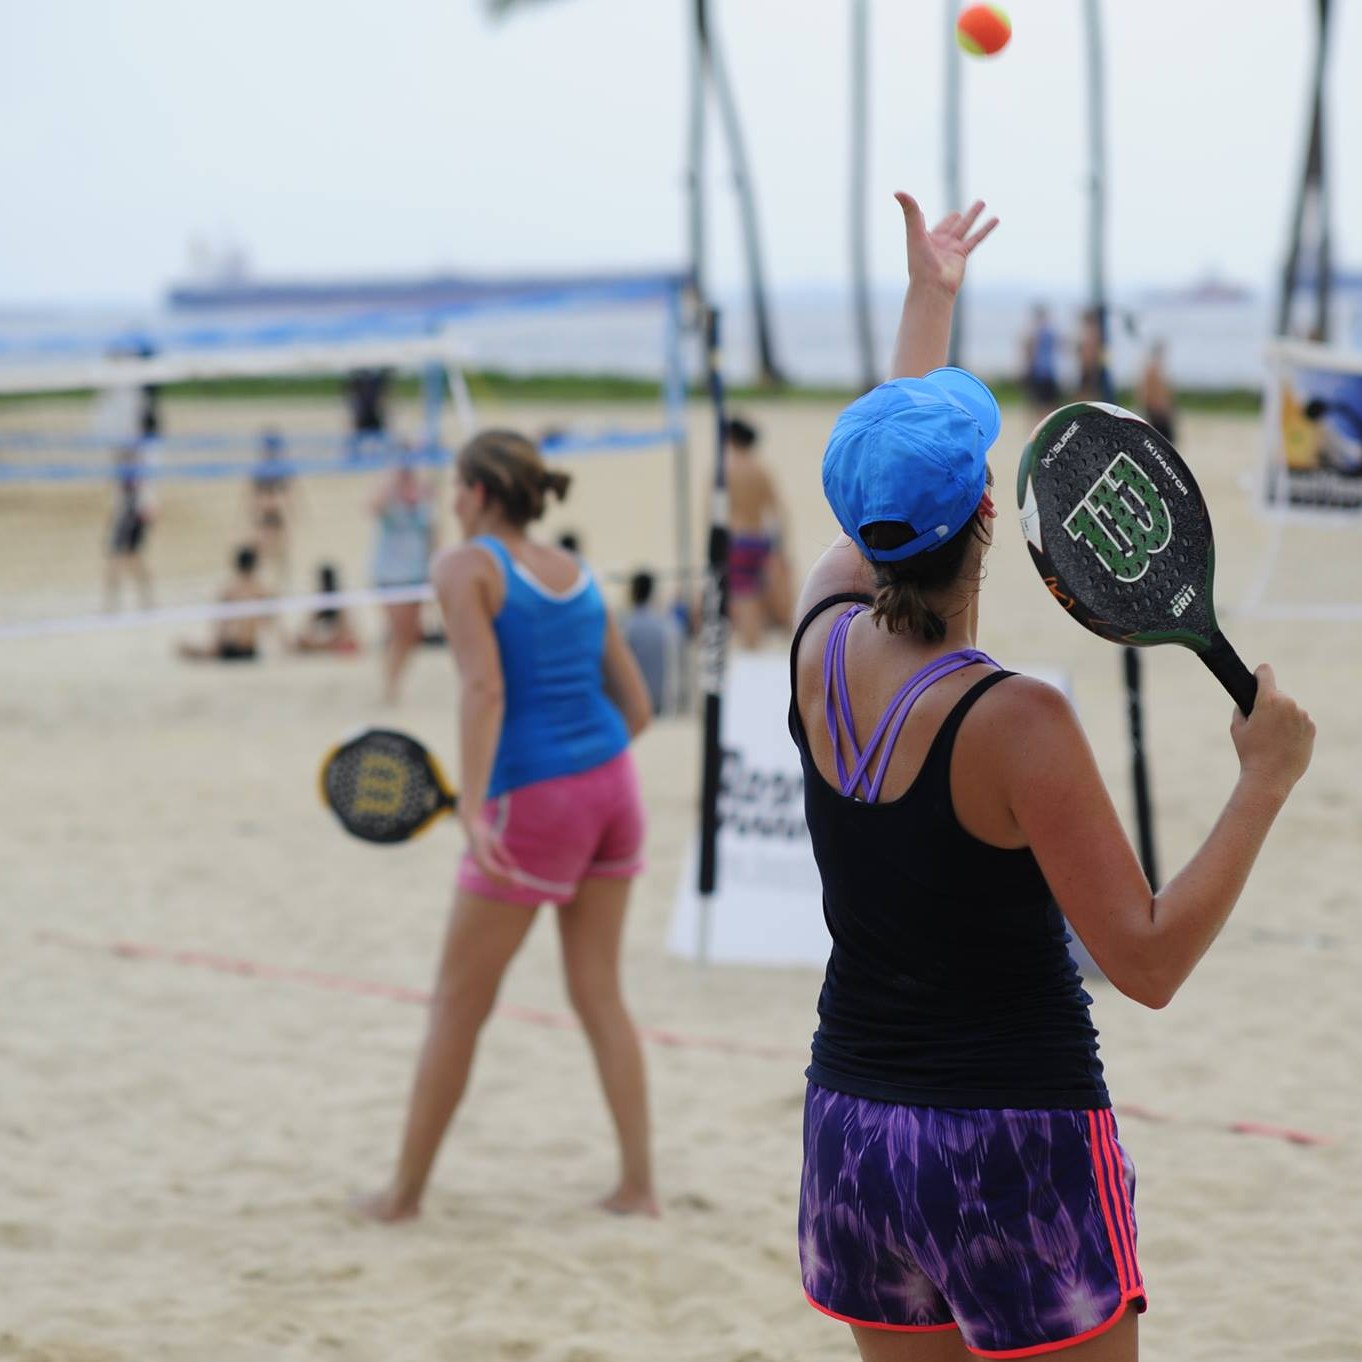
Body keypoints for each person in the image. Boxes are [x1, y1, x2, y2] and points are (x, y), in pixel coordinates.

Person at [790, 191, 1315, 1361]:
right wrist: (1263, 784)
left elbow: (883, 494)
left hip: (855, 1130)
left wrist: (928, 299)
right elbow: (1148, 960)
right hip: (1010, 1140)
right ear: (991, 509)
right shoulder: (1017, 721)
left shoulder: (818, 634)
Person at [354, 429, 657, 1224]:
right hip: (614, 790)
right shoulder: (577, 570)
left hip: (535, 797)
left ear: (481, 492)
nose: (451, 500)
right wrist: (583, 769)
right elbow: (639, 708)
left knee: (458, 1004)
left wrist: (474, 805)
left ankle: (403, 1196)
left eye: (458, 486)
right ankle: (639, 1188)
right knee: (600, 995)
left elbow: (483, 690)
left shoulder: (464, 566)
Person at [369, 460, 437, 703]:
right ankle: (390, 684)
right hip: (391, 574)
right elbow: (373, 508)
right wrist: (390, 482)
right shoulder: (389, 495)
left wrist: (432, 569)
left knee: (412, 633)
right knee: (397, 630)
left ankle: (394, 680)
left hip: (416, 572)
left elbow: (432, 535)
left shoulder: (423, 495)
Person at [724, 416, 794, 648]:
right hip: (759, 539)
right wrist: (782, 547)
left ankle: (750, 647)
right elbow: (777, 511)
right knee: (758, 595)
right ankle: (755, 646)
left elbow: (715, 512)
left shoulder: (725, 470)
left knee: (744, 598)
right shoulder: (761, 470)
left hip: (737, 541)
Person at [177, 544, 271, 662]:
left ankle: (196, 649)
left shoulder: (229, 589)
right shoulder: (261, 590)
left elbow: (219, 620)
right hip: (250, 648)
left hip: (231, 647)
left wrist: (214, 644)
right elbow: (269, 621)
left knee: (193, 648)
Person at [620, 570, 683, 716]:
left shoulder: (626, 627)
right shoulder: (667, 626)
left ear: (633, 592)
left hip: (634, 703)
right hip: (662, 702)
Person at [103, 445, 155, 611]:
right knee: (124, 562)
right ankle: (116, 604)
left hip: (131, 522)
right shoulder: (127, 481)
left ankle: (116, 604)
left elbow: (147, 508)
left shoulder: (137, 481)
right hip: (125, 522)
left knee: (127, 561)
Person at [248, 429, 295, 588]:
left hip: (272, 513)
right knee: (267, 550)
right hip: (268, 513)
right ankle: (272, 582)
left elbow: (288, 496)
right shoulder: (264, 470)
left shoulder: (277, 470)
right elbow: (254, 496)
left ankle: (280, 582)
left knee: (278, 551)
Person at [293, 563, 359, 654]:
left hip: (333, 637)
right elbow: (305, 634)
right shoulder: (319, 601)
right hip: (328, 638)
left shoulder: (340, 601)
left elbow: (350, 636)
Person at [1020, 302, 1061, 411]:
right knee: (1050, 402)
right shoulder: (1050, 331)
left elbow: (1029, 351)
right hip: (1048, 370)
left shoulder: (1035, 332)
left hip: (1040, 371)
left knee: (1038, 402)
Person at [1138, 340, 1178, 443]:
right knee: (1160, 440)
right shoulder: (1152, 370)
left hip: (1160, 411)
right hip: (1156, 412)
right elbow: (1147, 393)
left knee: (1166, 440)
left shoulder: (1158, 369)